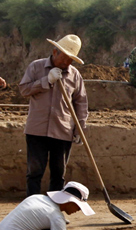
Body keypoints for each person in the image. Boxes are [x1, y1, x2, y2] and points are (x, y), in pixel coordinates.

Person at [19, 35, 88, 198]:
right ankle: (32, 209)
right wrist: (46, 81)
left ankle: (54, 210)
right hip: (37, 130)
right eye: (64, 58)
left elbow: (81, 103)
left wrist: (80, 128)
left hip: (63, 131)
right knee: (34, 172)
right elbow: (23, 90)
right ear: (55, 52)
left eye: (70, 60)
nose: (66, 63)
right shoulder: (36, 67)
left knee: (58, 174)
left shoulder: (75, 75)